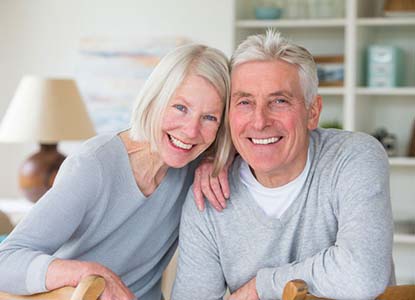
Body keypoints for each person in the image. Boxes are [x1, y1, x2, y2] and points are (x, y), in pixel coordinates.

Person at [172, 30, 394, 300]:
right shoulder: (208, 195)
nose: (259, 121)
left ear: (312, 112)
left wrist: (262, 286)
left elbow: (361, 276)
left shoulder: (353, 158)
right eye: (245, 102)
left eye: (279, 101)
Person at [0, 43, 231, 300]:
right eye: (180, 108)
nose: (191, 131)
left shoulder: (195, 167)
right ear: (155, 99)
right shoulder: (93, 166)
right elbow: (5, 261)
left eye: (210, 117)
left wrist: (219, 160)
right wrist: (88, 273)